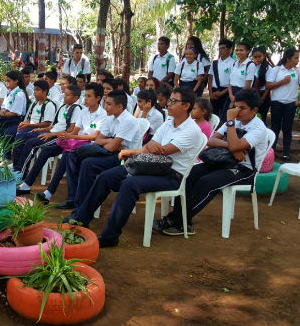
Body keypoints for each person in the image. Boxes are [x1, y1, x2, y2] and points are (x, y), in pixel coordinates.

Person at [64, 87, 205, 247]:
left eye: (173, 101)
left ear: (186, 106)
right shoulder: (168, 124)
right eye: (170, 100)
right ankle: (81, 219)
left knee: (130, 184)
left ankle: (110, 236)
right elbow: (150, 146)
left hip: (172, 176)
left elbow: (163, 151)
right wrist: (152, 148)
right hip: (149, 165)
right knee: (106, 177)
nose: (168, 104)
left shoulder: (192, 130)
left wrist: (136, 150)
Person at [153, 89, 268, 235]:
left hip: (243, 170)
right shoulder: (234, 121)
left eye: (242, 108)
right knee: (189, 174)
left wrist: (231, 129)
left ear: (254, 110)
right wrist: (230, 146)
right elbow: (211, 139)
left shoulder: (258, 129)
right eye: (236, 107)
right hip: (223, 161)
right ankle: (183, 222)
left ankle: (176, 220)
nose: (237, 111)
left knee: (207, 183)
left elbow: (233, 145)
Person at [59, 90, 142, 210]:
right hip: (108, 152)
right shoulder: (111, 118)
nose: (105, 107)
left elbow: (113, 147)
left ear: (119, 106)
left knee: (88, 163)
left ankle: (82, 206)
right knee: (71, 156)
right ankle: (73, 197)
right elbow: (98, 141)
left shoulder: (128, 120)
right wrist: (110, 140)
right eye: (105, 103)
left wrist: (110, 143)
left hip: (123, 158)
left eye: (108, 104)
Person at [35, 83, 107, 204]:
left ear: (98, 98)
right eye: (85, 96)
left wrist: (71, 136)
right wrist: (67, 136)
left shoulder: (102, 114)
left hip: (92, 146)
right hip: (78, 144)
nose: (86, 99)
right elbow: (75, 131)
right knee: (50, 150)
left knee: (68, 156)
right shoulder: (84, 111)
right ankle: (39, 188)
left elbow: (94, 137)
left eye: (89, 96)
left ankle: (59, 195)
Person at [15, 85, 82, 194]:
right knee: (28, 139)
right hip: (52, 133)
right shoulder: (63, 107)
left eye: (68, 95)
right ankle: (24, 179)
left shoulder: (76, 109)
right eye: (65, 94)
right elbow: (53, 125)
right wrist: (40, 129)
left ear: (76, 98)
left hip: (61, 136)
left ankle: (21, 175)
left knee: (32, 144)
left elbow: (71, 130)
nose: (65, 97)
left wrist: (51, 134)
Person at [266, 48, 300, 162]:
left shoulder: (298, 71)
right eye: (295, 58)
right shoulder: (276, 70)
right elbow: (268, 86)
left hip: (291, 104)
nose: (297, 60)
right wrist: (282, 82)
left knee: (287, 129)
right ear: (288, 58)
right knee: (275, 128)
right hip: (277, 103)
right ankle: (271, 152)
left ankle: (286, 154)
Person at [11, 80, 57, 163]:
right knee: (13, 133)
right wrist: (25, 123)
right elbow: (29, 118)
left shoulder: (49, 105)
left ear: (45, 91)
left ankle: (19, 165)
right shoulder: (35, 103)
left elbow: (46, 123)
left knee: (20, 137)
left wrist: (29, 125)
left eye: (38, 90)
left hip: (41, 130)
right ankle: (16, 163)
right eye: (34, 90)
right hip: (31, 128)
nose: (35, 92)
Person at [224, 42, 255, 121]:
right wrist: (231, 95)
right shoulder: (234, 63)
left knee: (238, 119)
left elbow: (247, 85)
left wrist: (236, 98)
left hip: (243, 94)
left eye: (241, 50)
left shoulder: (250, 65)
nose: (238, 52)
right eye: (237, 50)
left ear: (247, 51)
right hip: (231, 94)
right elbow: (230, 81)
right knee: (226, 118)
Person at [0, 71, 29, 139]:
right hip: (6, 116)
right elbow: (4, 106)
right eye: (5, 81)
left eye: (8, 81)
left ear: (16, 81)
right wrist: (2, 111)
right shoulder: (9, 92)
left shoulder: (19, 94)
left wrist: (2, 114)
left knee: (1, 130)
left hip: (15, 120)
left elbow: (15, 113)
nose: (6, 83)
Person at [208, 39, 234, 120]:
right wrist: (211, 93)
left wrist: (222, 93)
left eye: (223, 48)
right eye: (219, 48)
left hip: (226, 92)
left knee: (224, 116)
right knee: (213, 116)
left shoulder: (233, 63)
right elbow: (210, 78)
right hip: (214, 91)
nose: (221, 50)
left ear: (230, 50)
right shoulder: (215, 63)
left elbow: (233, 81)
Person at [250, 47, 273, 124]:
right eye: (255, 57)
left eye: (259, 56)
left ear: (264, 56)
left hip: (263, 95)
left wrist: (262, 98)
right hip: (252, 94)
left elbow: (268, 84)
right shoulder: (251, 66)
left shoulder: (268, 67)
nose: (257, 59)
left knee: (262, 117)